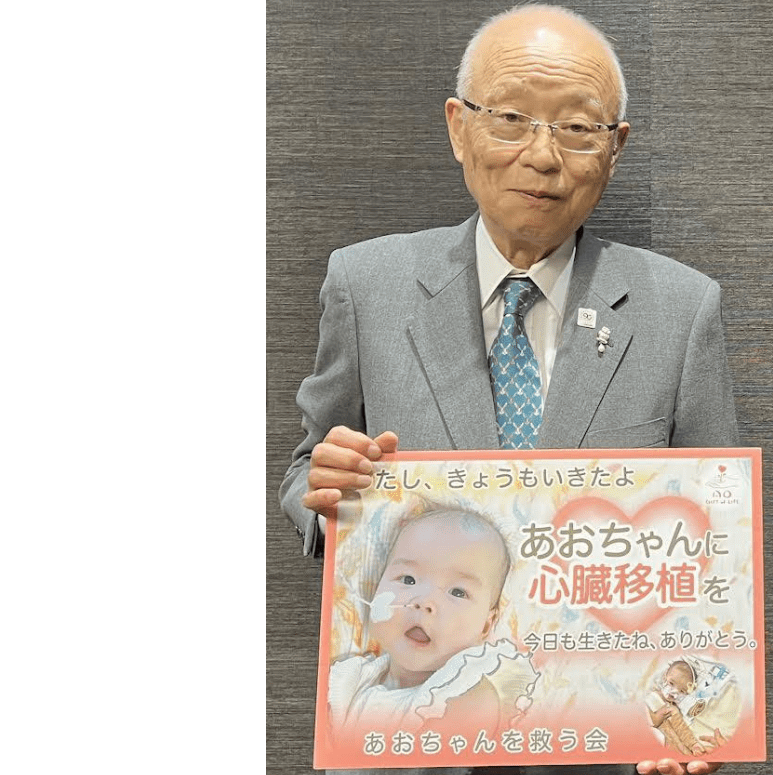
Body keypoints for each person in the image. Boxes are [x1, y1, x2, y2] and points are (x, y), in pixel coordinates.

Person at [278, 5, 735, 774]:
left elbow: (717, 537)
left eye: (578, 128)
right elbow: (304, 470)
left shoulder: (682, 308)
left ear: (615, 147)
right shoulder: (367, 283)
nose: (543, 155)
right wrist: (325, 492)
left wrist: (694, 722)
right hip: (413, 749)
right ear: (459, 127)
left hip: (601, 747)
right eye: (513, 119)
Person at [327, 507, 537, 737]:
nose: (424, 602)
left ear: (487, 625)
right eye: (408, 579)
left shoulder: (467, 692)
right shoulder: (349, 680)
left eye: (457, 592)